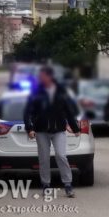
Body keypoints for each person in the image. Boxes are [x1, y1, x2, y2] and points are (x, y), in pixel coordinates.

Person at [24, 66, 81, 197]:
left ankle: (67, 184)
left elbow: (68, 111)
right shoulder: (36, 92)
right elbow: (28, 112)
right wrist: (29, 128)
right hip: (41, 130)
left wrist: (75, 128)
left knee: (61, 156)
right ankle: (46, 184)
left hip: (58, 130)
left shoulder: (61, 91)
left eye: (42, 76)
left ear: (49, 77)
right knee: (44, 158)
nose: (40, 78)